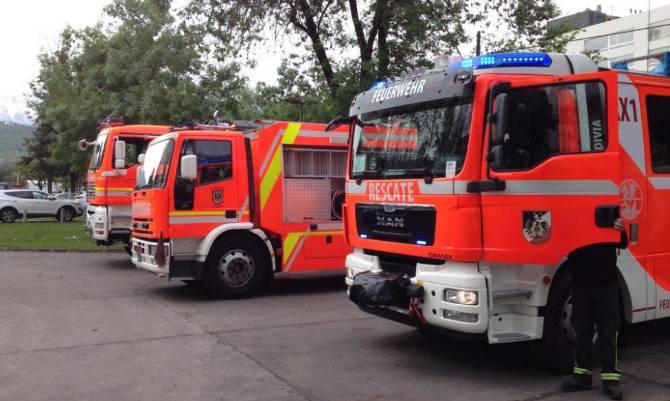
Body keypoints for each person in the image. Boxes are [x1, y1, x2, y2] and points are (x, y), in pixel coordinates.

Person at [561, 218, 627, 400]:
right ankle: (582, 377)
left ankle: (610, 380)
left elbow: (623, 243)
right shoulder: (574, 216)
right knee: (583, 331)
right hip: (581, 283)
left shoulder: (606, 216)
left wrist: (620, 229)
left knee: (607, 332)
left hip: (606, 283)